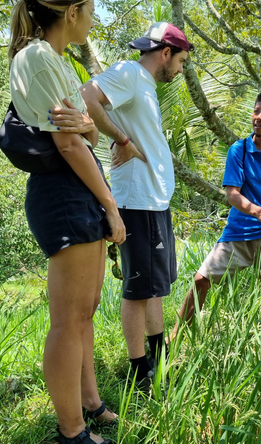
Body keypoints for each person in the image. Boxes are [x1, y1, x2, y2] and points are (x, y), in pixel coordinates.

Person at [8, 0, 124, 444]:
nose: (92, 22)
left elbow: (87, 134)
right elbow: (71, 144)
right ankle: (70, 432)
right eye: (91, 12)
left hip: (77, 187)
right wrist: (111, 206)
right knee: (68, 319)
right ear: (71, 12)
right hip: (65, 190)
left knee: (86, 311)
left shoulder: (55, 59)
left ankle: (89, 403)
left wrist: (89, 131)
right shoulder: (38, 58)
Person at [79, 22, 192, 389]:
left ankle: (158, 361)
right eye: (181, 61)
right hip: (137, 201)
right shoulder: (129, 73)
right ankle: (139, 372)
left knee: (156, 287)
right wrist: (121, 138)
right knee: (138, 288)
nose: (179, 69)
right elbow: (87, 96)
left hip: (154, 201)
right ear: (165, 53)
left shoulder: (144, 87)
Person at [172, 90, 261, 338]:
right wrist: (256, 211)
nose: (258, 117)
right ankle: (177, 338)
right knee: (201, 279)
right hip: (239, 232)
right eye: (256, 110)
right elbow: (231, 194)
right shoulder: (240, 150)